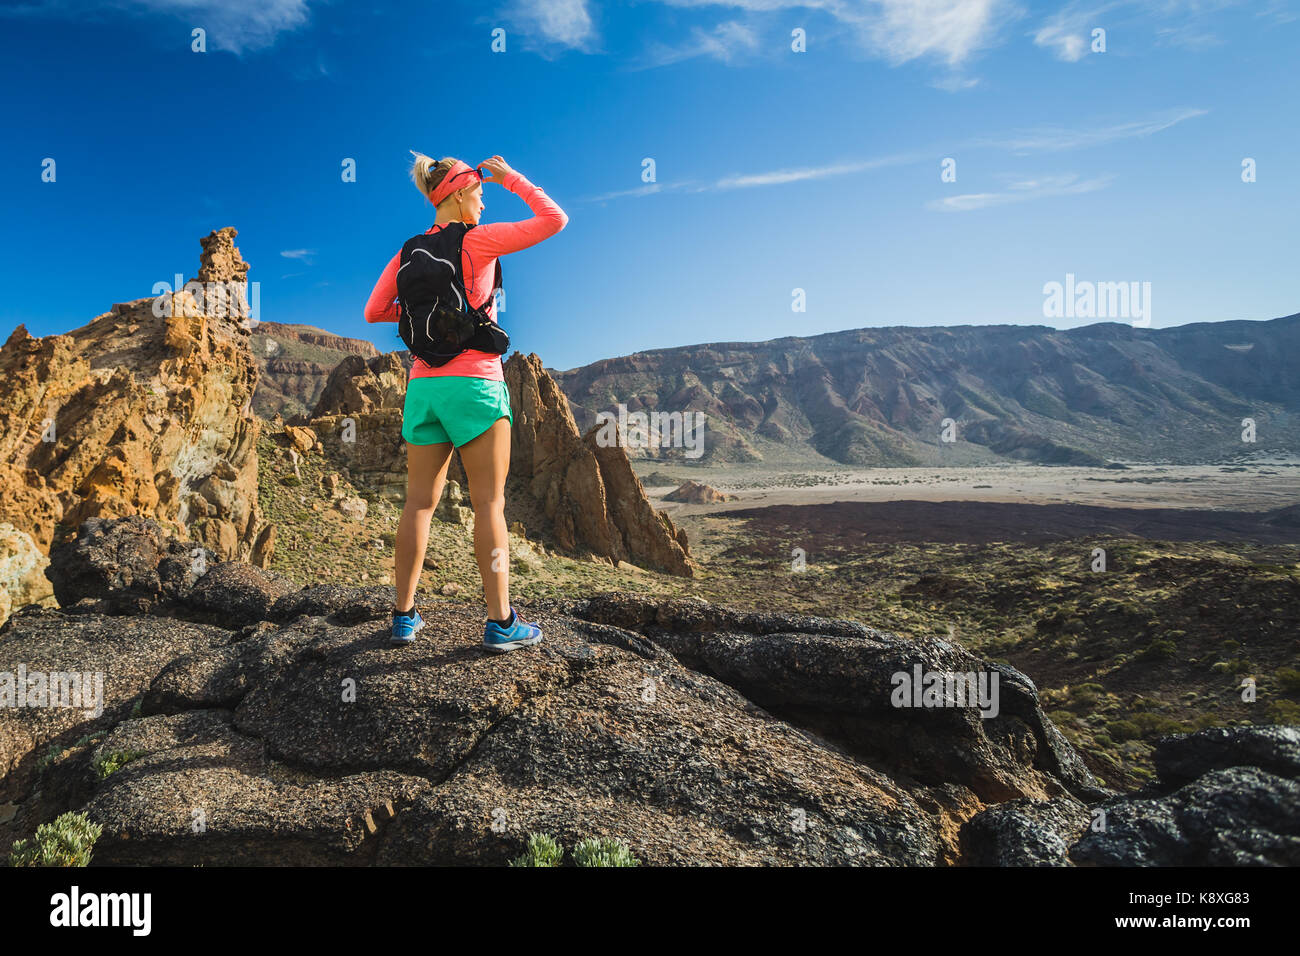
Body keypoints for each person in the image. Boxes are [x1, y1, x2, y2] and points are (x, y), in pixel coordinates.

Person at [364, 153, 568, 650]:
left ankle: (404, 616)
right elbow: (554, 220)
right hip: (476, 384)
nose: (483, 198)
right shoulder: (479, 240)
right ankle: (501, 623)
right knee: (489, 505)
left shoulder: (409, 251)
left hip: (423, 386)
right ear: (458, 193)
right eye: (480, 190)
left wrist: (429, 322)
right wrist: (513, 177)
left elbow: (374, 312)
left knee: (417, 504)